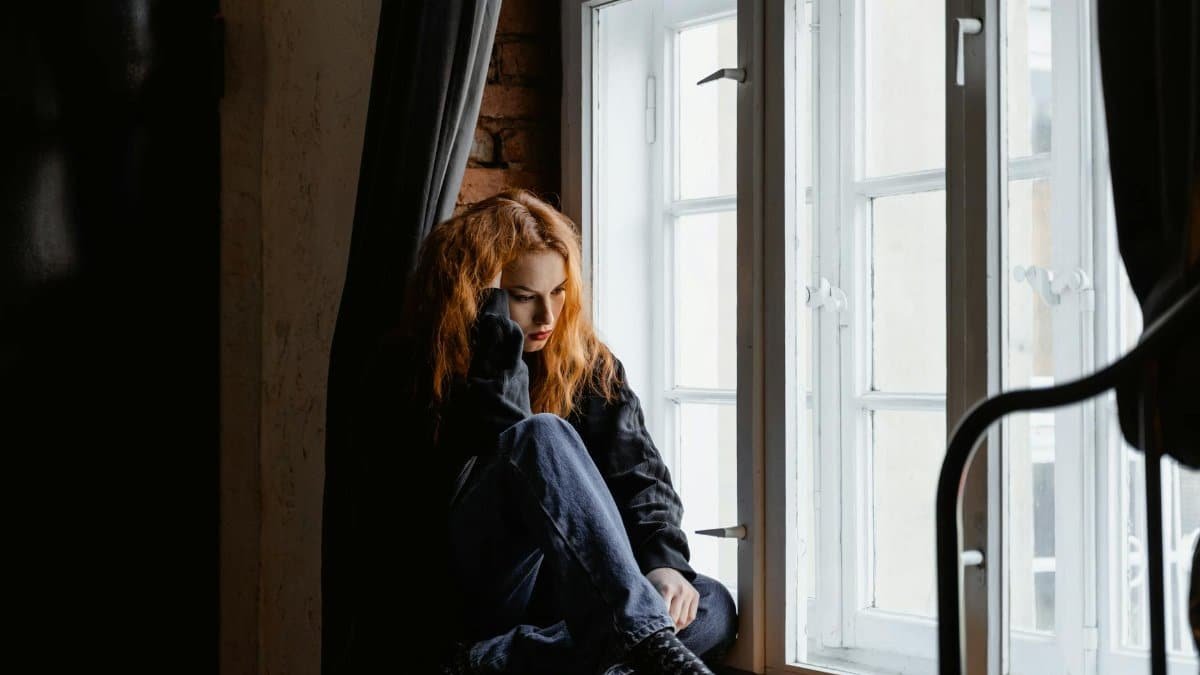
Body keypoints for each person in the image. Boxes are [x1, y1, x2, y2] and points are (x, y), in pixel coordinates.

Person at [346, 189, 736, 674]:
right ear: (475, 296)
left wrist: (664, 564)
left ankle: (508, 663)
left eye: (558, 293)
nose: (547, 317)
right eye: (523, 297)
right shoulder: (411, 368)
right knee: (539, 437)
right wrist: (494, 342)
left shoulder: (586, 363)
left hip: (563, 611)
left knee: (710, 602)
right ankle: (625, 645)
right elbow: (491, 468)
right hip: (470, 598)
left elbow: (640, 478)